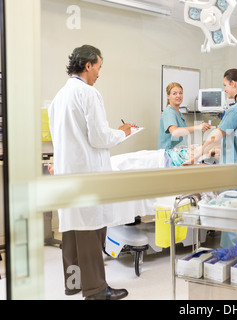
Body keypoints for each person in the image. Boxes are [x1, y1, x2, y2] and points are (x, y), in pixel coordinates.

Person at [48, 45, 131, 300]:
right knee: (90, 228)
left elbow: (60, 139)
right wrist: (123, 132)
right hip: (87, 173)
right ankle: (95, 290)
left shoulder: (58, 98)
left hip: (67, 173)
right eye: (98, 67)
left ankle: (73, 283)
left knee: (71, 228)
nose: (99, 74)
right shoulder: (88, 93)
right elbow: (99, 137)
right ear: (88, 65)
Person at [184, 68, 237, 252]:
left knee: (230, 219)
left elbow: (213, 137)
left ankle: (229, 259)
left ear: (234, 84)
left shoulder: (235, 110)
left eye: (225, 85)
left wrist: (196, 156)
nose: (224, 90)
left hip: (233, 174)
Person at [158, 82, 211, 150]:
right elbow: (175, 132)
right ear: (168, 96)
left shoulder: (179, 113)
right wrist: (198, 127)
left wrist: (187, 148)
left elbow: (181, 135)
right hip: (169, 155)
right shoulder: (169, 112)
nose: (178, 96)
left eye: (180, 93)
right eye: (174, 93)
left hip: (177, 153)